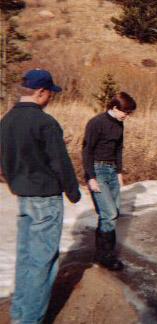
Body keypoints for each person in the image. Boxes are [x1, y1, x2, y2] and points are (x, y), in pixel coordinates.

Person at [0, 69, 81, 324]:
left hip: (23, 197)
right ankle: (29, 320)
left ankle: (19, 314)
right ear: (41, 92)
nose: (51, 99)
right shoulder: (45, 123)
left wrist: (12, 180)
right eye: (50, 94)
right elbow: (60, 162)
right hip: (45, 199)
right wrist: (74, 191)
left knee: (25, 258)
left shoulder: (6, 120)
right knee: (41, 264)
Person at [82, 91, 136, 271]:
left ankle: (102, 253)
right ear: (114, 108)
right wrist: (91, 177)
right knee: (109, 214)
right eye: (125, 113)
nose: (127, 117)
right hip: (97, 171)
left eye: (129, 114)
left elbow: (119, 149)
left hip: (112, 171)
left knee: (112, 214)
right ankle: (106, 256)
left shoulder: (119, 125)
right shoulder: (96, 123)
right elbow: (87, 151)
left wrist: (119, 172)